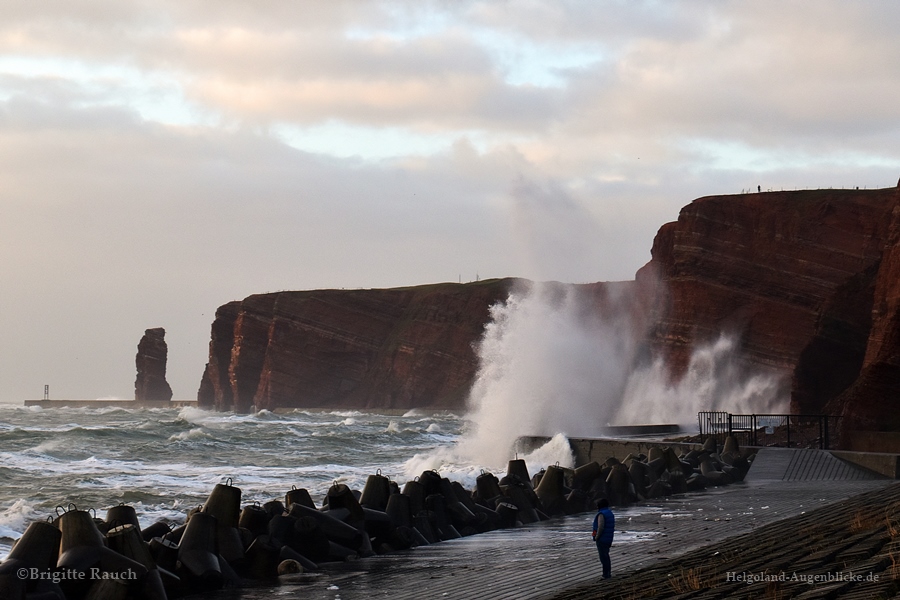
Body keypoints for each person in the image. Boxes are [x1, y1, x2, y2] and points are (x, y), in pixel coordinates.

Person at [592, 499, 615, 579]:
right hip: (609, 538)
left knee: (603, 557)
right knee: (606, 556)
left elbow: (600, 527)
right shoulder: (609, 513)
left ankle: (606, 574)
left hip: (602, 539)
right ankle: (607, 573)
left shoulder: (601, 514)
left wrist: (596, 537)